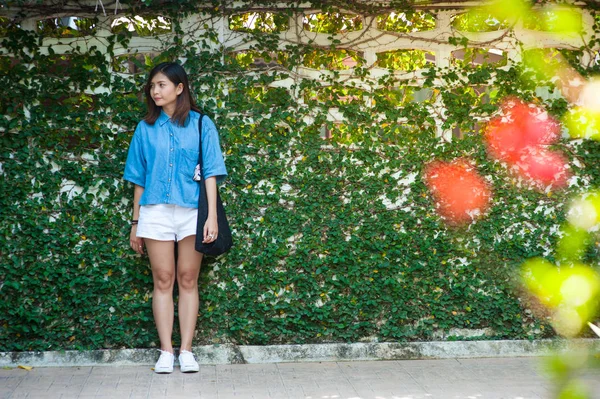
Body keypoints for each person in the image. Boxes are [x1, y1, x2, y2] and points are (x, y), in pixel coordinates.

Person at [123, 62, 227, 373]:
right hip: (154, 211)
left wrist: (212, 218)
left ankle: (186, 351)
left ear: (179, 88)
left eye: (161, 85)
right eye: (152, 86)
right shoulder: (145, 128)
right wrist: (135, 222)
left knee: (188, 279)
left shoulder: (201, 124)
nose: (155, 91)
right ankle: (166, 352)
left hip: (193, 212)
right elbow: (139, 178)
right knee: (163, 279)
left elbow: (211, 172)